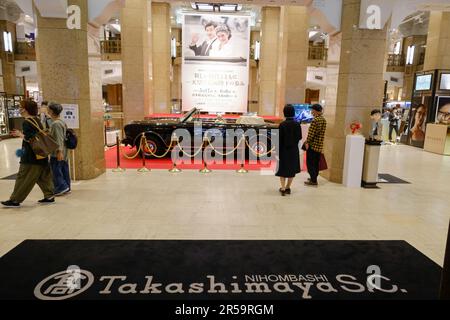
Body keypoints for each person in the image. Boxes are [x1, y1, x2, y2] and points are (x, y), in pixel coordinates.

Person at [1, 100, 54, 208]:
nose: (19, 109)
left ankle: (15, 200)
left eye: (21, 107)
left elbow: (30, 139)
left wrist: (21, 134)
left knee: (23, 177)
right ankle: (49, 196)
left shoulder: (27, 122)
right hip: (41, 154)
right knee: (41, 176)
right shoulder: (37, 120)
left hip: (31, 156)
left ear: (25, 109)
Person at [276, 105, 302, 196]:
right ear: (293, 112)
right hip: (294, 150)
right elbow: (299, 137)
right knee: (292, 169)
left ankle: (282, 188)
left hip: (283, 150)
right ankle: (288, 187)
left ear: (284, 113)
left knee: (282, 169)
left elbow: (279, 139)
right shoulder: (297, 124)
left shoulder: (282, 124)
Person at [48, 103, 71, 196]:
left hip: (57, 151)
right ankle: (67, 186)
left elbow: (58, 138)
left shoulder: (56, 124)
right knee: (64, 168)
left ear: (52, 111)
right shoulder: (61, 122)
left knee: (56, 170)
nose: (47, 111)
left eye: (48, 109)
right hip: (64, 150)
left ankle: (61, 187)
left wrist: (59, 151)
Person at [304, 104, 327, 187]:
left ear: (316, 110)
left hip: (313, 145)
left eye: (312, 110)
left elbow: (311, 134)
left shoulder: (315, 120)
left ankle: (313, 181)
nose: (311, 111)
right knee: (316, 163)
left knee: (310, 163)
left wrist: (307, 142)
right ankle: (314, 178)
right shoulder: (323, 119)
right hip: (319, 145)